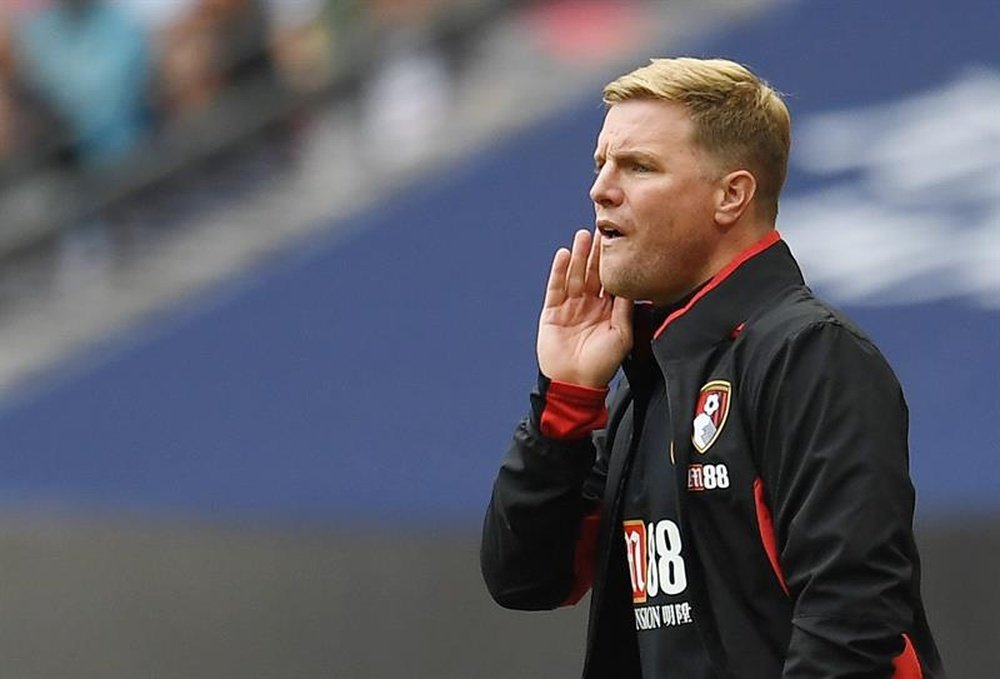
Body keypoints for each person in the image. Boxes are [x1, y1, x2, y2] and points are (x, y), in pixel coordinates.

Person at [480, 57, 945, 679]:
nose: (601, 190)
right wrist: (565, 402)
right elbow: (526, 579)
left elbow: (851, 626)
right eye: (601, 165)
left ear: (732, 194)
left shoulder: (810, 354)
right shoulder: (645, 380)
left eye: (638, 166)